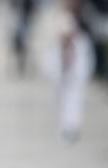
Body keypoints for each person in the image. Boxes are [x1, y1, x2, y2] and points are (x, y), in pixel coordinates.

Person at [44, 0, 96, 143]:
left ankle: (72, 128)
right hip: (61, 77)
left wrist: (85, 74)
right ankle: (64, 129)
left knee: (75, 103)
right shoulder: (56, 45)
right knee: (61, 104)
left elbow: (87, 61)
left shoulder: (81, 43)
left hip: (75, 78)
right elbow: (50, 61)